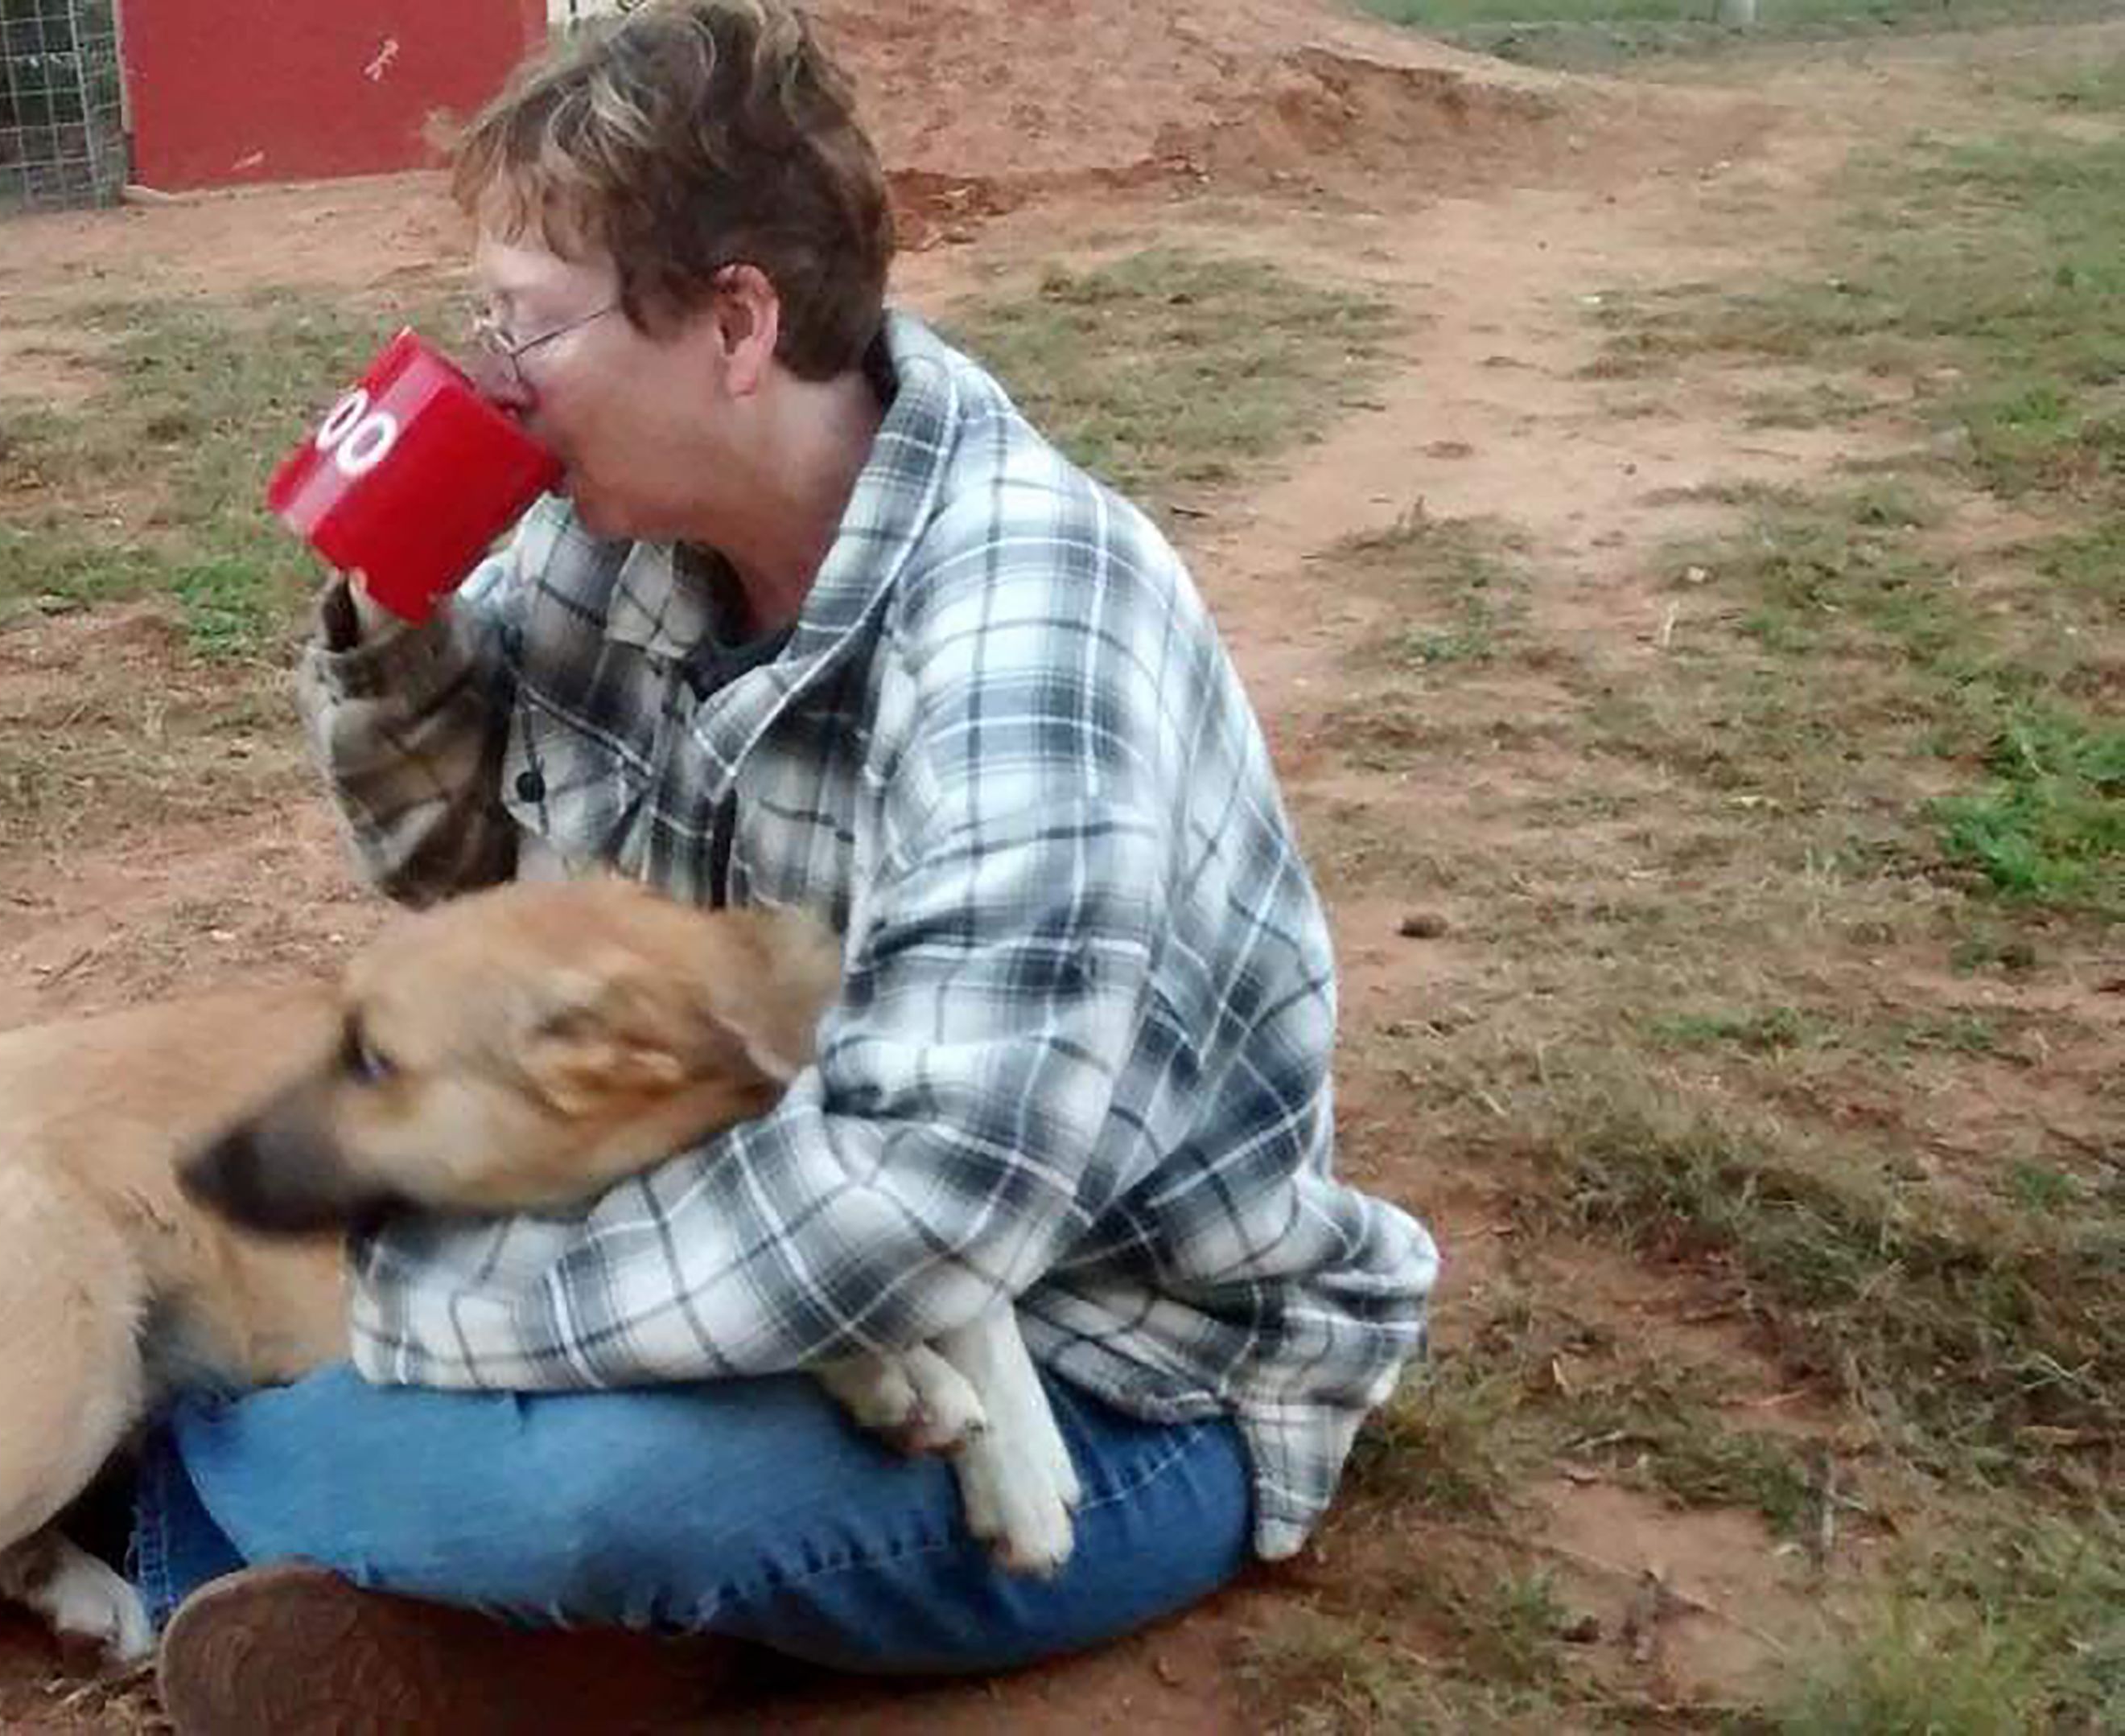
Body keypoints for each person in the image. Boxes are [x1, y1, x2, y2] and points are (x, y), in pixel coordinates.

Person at [135, 2, 1440, 1726]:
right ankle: (541, 1613)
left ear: (736, 321)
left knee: (583, 1491)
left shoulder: (1026, 619)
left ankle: (216, 1500)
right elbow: (447, 869)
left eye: (526, 326)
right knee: (537, 1441)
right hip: (820, 1316)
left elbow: (922, 1198)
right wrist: (395, 601)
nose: (492, 379)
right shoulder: (623, 539)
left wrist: (427, 1314)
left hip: (1113, 1370)